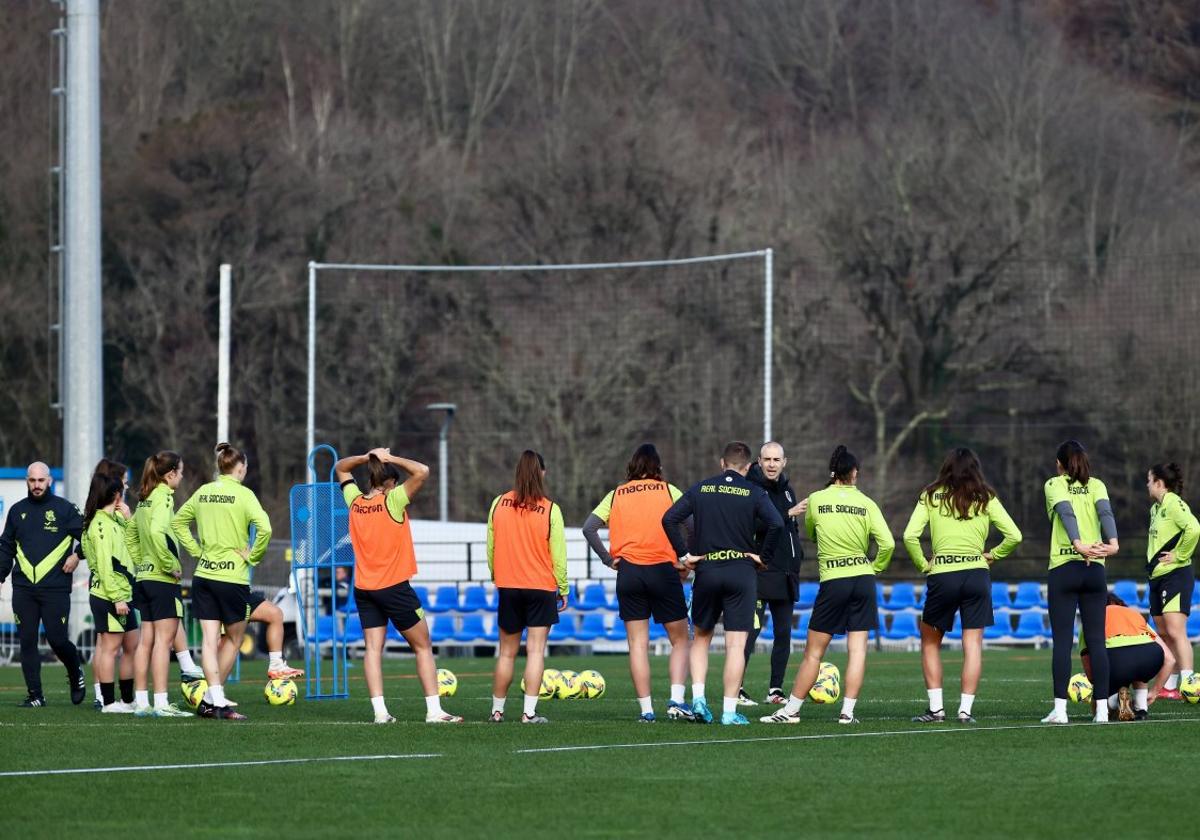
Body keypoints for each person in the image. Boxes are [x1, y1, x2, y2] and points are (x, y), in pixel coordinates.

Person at [761, 445, 893, 726]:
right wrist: (875, 567)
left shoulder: (817, 500)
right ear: (854, 473)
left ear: (832, 472)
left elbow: (810, 530)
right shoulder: (867, 503)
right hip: (863, 579)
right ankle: (847, 713)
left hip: (834, 580)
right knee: (857, 651)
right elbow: (888, 543)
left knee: (814, 653)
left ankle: (791, 711)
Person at [334, 448, 461, 724]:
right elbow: (423, 471)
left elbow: (341, 468)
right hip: (393, 587)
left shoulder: (355, 502)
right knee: (423, 646)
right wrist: (389, 459)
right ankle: (434, 711)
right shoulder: (393, 501)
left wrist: (368, 457)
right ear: (391, 482)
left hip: (364, 588)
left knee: (372, 650)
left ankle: (380, 713)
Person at [662, 441, 784, 726]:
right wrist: (762, 557)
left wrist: (684, 555)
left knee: (701, 639)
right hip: (741, 570)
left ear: (722, 463)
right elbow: (777, 524)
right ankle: (729, 711)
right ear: (749, 466)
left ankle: (699, 701)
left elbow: (669, 518)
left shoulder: (701, 488)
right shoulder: (755, 491)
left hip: (708, 568)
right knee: (736, 644)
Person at [902, 448, 1022, 723]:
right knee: (973, 645)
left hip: (943, 574)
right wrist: (993, 555)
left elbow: (910, 536)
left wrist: (923, 564)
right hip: (976, 575)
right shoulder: (985, 496)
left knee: (930, 643)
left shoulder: (930, 495)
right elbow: (1014, 535)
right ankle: (965, 710)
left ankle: (936, 710)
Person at [582, 443, 693, 722]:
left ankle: (646, 710)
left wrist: (609, 560)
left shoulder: (616, 493)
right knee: (680, 640)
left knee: (637, 645)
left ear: (632, 466)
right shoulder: (669, 490)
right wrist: (686, 560)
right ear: (658, 467)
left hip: (629, 572)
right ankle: (676, 701)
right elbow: (693, 525)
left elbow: (589, 527)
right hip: (662, 570)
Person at [171, 443, 271, 720]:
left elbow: (178, 523)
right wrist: (254, 555)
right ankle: (215, 699)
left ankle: (210, 699)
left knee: (209, 641)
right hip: (231, 578)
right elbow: (266, 528)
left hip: (204, 575)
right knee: (235, 639)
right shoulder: (244, 494)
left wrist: (197, 552)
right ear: (240, 468)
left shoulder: (204, 491)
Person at [487, 450, 568, 724]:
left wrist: (496, 575)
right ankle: (528, 713)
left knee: (506, 652)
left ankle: (497, 711)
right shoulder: (550, 509)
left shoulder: (499, 503)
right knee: (535, 651)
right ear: (542, 473)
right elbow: (558, 555)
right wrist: (563, 587)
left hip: (508, 585)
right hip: (540, 587)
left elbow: (491, 546)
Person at [1040, 439, 1117, 725]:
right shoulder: (1097, 484)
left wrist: (1077, 543)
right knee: (1097, 642)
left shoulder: (1054, 484)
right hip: (1095, 569)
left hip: (1064, 568)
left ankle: (1060, 711)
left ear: (1060, 464)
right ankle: (1101, 712)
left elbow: (1065, 512)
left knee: (1062, 642)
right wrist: (1114, 543)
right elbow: (1105, 513)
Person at [0, 461, 86, 707]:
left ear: (49, 481)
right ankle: (35, 695)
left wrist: (77, 555)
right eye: (32, 480)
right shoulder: (17, 511)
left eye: (41, 480)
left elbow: (90, 538)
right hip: (24, 589)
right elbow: (6, 546)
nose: (36, 485)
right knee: (26, 640)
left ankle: (74, 671)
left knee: (57, 640)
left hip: (55, 588)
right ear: (27, 481)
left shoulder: (65, 509)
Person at [125, 451, 192, 717]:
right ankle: (162, 703)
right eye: (181, 471)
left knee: (146, 642)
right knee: (164, 643)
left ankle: (142, 703)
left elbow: (131, 534)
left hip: (143, 578)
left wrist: (141, 563)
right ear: (170, 474)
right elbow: (155, 532)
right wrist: (169, 565)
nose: (183, 476)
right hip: (162, 580)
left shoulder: (143, 501)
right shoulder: (163, 497)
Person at [740, 441, 807, 706]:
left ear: (784, 462)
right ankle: (737, 689)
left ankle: (775, 690)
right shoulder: (752, 490)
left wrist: (797, 554)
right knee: (749, 634)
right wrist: (787, 513)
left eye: (776, 460)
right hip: (760, 572)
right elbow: (753, 524)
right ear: (758, 461)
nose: (771, 464)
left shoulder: (788, 491)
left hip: (786, 573)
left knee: (783, 635)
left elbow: (791, 531)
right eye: (766, 459)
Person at [82, 467, 140, 712]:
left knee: (131, 646)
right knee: (110, 648)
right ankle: (108, 702)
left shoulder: (114, 519)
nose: (125, 492)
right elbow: (104, 566)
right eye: (123, 489)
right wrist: (117, 598)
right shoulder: (99, 525)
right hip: (109, 596)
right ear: (115, 494)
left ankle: (127, 700)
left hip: (125, 593)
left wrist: (129, 518)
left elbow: (134, 546)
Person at [1143, 462, 1198, 700]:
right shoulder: (1156, 509)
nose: (1146, 484)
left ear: (1159, 483)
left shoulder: (1174, 503)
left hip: (1175, 575)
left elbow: (1194, 528)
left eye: (1149, 480)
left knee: (1176, 630)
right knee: (1163, 632)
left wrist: (1180, 555)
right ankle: (1170, 686)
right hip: (1156, 577)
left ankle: (1189, 683)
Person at [1081, 593, 1174, 721]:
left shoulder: (1091, 617)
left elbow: (1089, 667)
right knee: (1139, 665)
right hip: (1151, 657)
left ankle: (1115, 700)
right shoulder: (1134, 614)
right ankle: (1141, 709)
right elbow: (1170, 659)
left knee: (1099, 704)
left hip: (1116, 660)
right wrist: (1155, 691)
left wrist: (1099, 687)